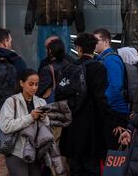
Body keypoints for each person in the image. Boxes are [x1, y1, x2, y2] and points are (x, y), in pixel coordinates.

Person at [58, 33, 110, 176]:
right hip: (92, 126)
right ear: (93, 48)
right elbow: (100, 99)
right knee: (91, 167)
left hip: (73, 124)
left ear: (79, 49)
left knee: (75, 166)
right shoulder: (99, 68)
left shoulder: (70, 68)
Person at [0, 69, 50, 176]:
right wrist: (30, 117)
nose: (34, 88)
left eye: (36, 84)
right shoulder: (11, 101)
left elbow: (47, 127)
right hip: (16, 152)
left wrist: (44, 118)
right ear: (22, 83)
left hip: (36, 152)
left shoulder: (41, 102)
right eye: (31, 84)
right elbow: (6, 126)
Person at [0, 28, 27, 176]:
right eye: (10, 41)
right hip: (7, 120)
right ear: (5, 42)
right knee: (2, 164)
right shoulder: (16, 60)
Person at [93, 28, 130, 150]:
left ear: (106, 41)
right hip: (112, 110)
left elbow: (115, 86)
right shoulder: (102, 59)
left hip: (116, 111)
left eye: (96, 41)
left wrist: (102, 104)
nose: (94, 44)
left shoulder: (111, 59)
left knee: (113, 150)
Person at [37, 38, 70, 103]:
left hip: (54, 101)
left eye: (47, 48)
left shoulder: (47, 69)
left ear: (50, 51)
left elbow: (40, 89)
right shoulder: (69, 64)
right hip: (67, 101)